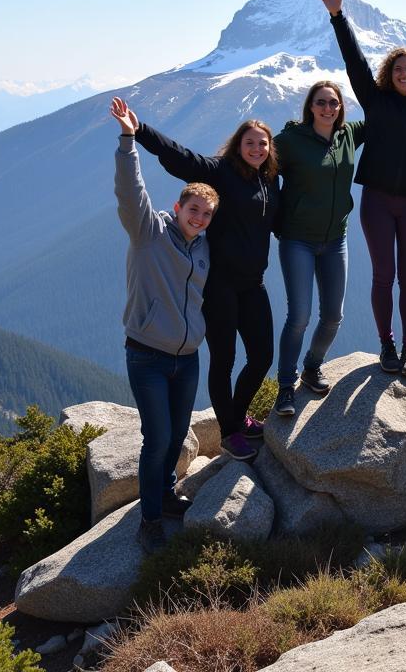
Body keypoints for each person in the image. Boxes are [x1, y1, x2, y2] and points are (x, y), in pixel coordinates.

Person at [134, 114, 281, 462]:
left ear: (270, 148)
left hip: (253, 282)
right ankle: (230, 433)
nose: (257, 148)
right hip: (220, 285)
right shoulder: (220, 171)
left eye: (263, 143)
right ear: (237, 145)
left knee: (262, 356)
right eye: (250, 142)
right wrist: (140, 130)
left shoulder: (271, 181)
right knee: (225, 359)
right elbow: (180, 156)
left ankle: (237, 416)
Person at [318, 0, 406, 377]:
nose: (405, 74)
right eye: (399, 69)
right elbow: (355, 62)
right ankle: (386, 345)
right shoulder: (374, 99)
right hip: (376, 201)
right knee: (383, 276)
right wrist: (339, 17)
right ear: (390, 72)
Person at [110, 97, 218, 554]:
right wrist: (128, 141)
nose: (198, 217)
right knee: (156, 439)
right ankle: (149, 518)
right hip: (148, 356)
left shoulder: (206, 248)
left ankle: (167, 495)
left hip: (187, 358)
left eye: (206, 214)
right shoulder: (148, 231)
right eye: (193, 209)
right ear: (178, 206)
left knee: (176, 437)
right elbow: (129, 193)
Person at [272, 80, 365, 416]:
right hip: (298, 239)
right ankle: (285, 385)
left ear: (341, 108)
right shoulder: (290, 142)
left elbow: (388, 113)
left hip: (335, 239)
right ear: (310, 107)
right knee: (299, 316)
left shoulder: (349, 135)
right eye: (321, 103)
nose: (328, 108)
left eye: (334, 103)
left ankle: (312, 367)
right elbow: (255, 159)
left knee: (333, 316)